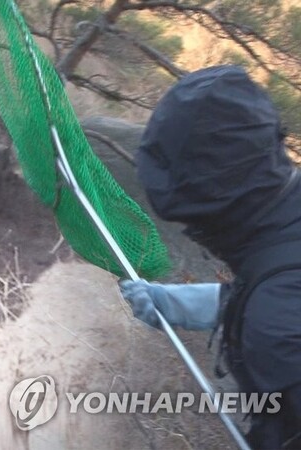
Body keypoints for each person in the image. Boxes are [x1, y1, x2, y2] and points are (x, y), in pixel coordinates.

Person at [118, 65, 301, 449]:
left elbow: (282, 313)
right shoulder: (287, 212)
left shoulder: (274, 327)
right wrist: (178, 303)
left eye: (192, 221)